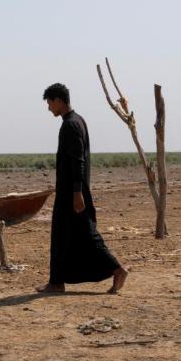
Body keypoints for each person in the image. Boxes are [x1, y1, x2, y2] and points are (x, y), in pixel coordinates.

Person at [37, 83, 128, 294]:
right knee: (64, 236)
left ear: (58, 101)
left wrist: (77, 193)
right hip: (72, 190)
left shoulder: (70, 125)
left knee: (86, 234)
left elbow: (78, 160)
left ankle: (117, 269)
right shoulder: (78, 121)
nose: (49, 107)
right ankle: (57, 281)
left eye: (50, 102)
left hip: (73, 192)